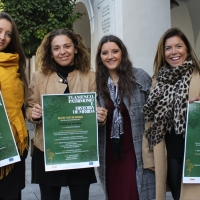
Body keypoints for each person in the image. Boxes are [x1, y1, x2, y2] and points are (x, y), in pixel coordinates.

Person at [25, 28, 99, 200]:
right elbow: (29, 107)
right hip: (47, 149)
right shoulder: (39, 76)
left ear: (75, 48)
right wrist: (33, 113)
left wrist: (100, 116)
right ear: (50, 53)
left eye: (67, 46)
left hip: (79, 149)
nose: (62, 52)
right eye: (56, 48)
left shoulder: (90, 77)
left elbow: (96, 109)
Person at [142, 27, 200, 200]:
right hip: (171, 154)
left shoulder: (198, 75)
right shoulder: (157, 81)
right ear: (163, 52)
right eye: (168, 48)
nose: (174, 52)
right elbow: (149, 121)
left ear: (187, 49)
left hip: (196, 152)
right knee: (178, 196)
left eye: (179, 46)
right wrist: (149, 156)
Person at [96, 35, 155, 200]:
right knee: (115, 192)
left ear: (122, 53)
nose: (110, 56)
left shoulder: (139, 76)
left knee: (135, 191)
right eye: (105, 53)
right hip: (109, 149)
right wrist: (96, 118)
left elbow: (155, 112)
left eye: (115, 51)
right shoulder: (96, 83)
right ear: (100, 57)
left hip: (135, 147)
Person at [0, 12, 29, 200]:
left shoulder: (15, 64)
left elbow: (20, 106)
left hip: (12, 147)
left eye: (8, 34)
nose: (3, 37)